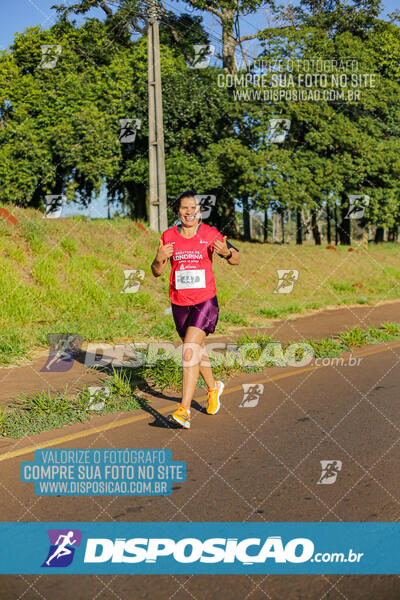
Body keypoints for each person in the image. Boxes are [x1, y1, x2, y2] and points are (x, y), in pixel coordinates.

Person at [151, 190, 240, 429]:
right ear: (178, 211)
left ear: (200, 210)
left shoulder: (211, 233)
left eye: (193, 208)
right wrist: (159, 259)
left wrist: (227, 253)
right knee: (196, 350)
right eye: (184, 208)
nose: (189, 212)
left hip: (205, 301)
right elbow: (157, 271)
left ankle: (184, 410)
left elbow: (237, 258)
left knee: (189, 349)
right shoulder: (168, 236)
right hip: (179, 302)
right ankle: (214, 388)